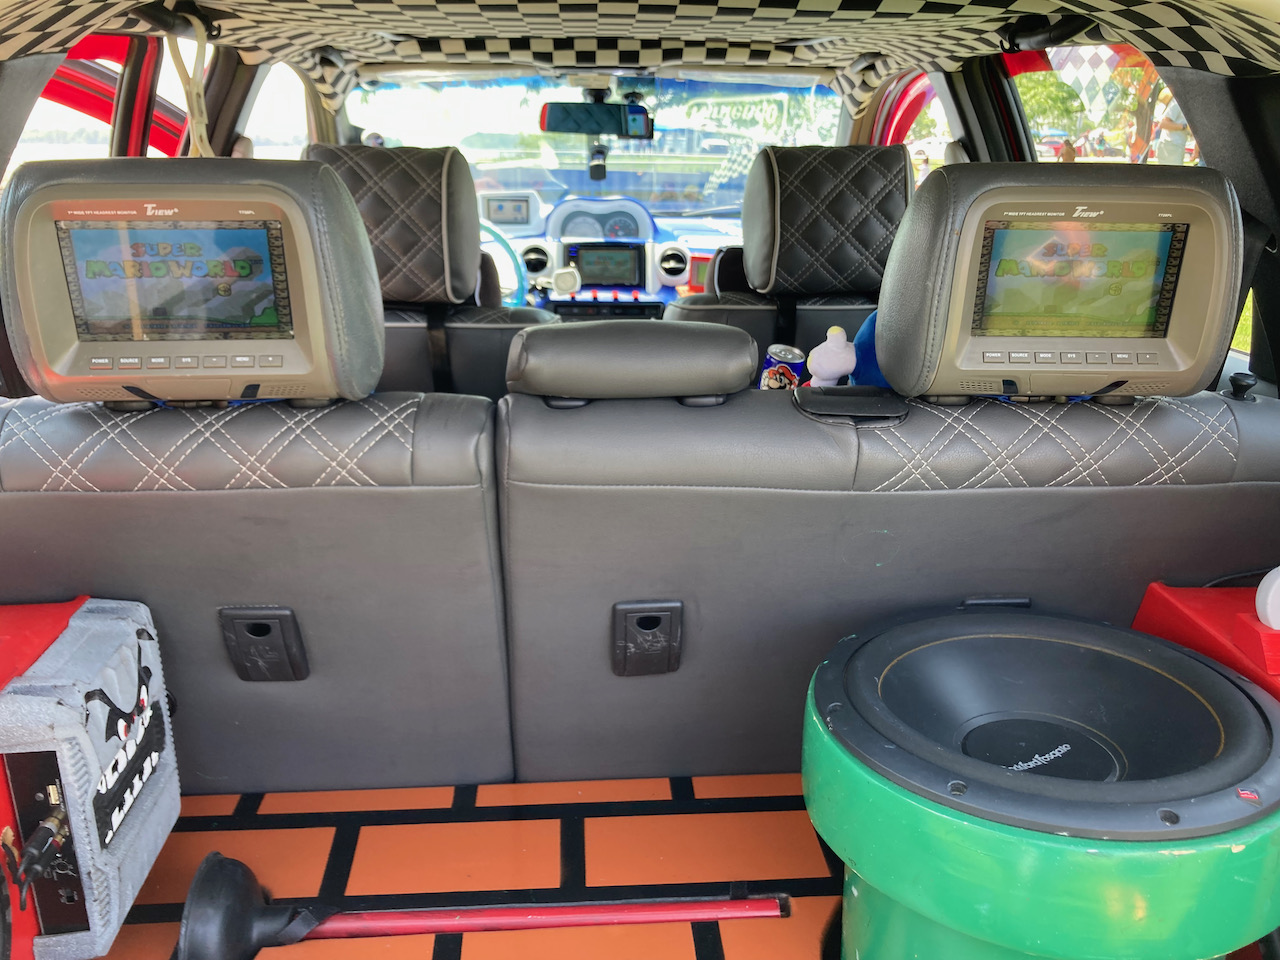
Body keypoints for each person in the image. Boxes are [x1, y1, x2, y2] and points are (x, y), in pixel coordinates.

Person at [1155, 89, 1190, 165]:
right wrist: (1184, 127)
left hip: (1176, 146)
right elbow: (1163, 124)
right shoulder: (1178, 102)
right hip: (1170, 146)